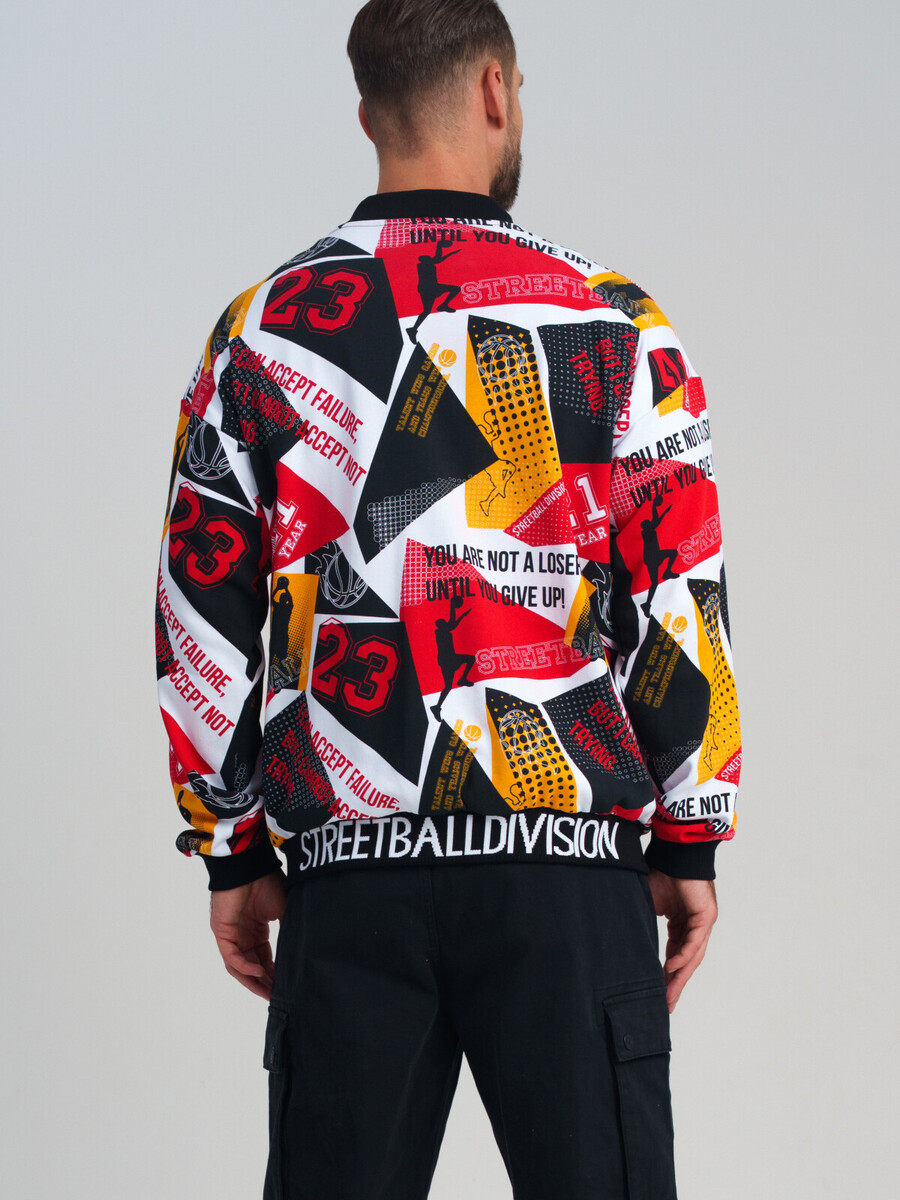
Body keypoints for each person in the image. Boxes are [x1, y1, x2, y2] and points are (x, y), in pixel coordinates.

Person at [155, 1, 742, 1196]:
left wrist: (231, 848)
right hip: (565, 866)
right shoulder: (615, 323)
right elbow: (678, 592)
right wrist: (689, 830)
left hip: (349, 868)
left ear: (367, 112)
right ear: (493, 91)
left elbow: (199, 608)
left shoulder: (261, 333)